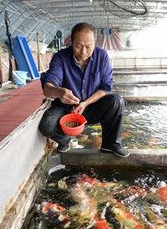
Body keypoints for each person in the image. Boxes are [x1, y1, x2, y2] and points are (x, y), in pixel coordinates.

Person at [39, 22, 130, 158]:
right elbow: (48, 87)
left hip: (91, 106)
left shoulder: (102, 56)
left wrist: (86, 103)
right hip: (65, 108)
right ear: (71, 41)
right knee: (46, 126)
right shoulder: (60, 57)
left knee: (117, 102)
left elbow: (106, 86)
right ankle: (65, 140)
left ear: (95, 42)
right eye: (78, 46)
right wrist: (60, 92)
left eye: (88, 46)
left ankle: (110, 145)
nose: (83, 52)